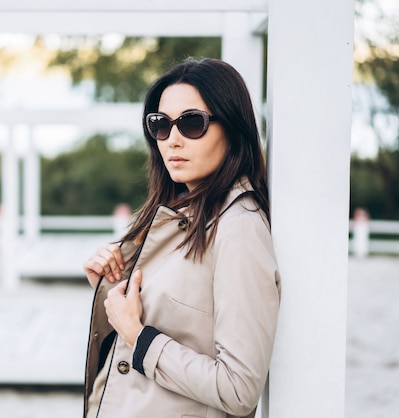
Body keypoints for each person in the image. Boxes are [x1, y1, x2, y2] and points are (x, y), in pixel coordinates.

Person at [82, 58, 281, 418]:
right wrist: (113, 287)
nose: (172, 140)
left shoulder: (239, 227)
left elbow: (239, 388)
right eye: (160, 125)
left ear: (232, 128)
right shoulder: (179, 216)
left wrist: (139, 337)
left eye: (192, 123)